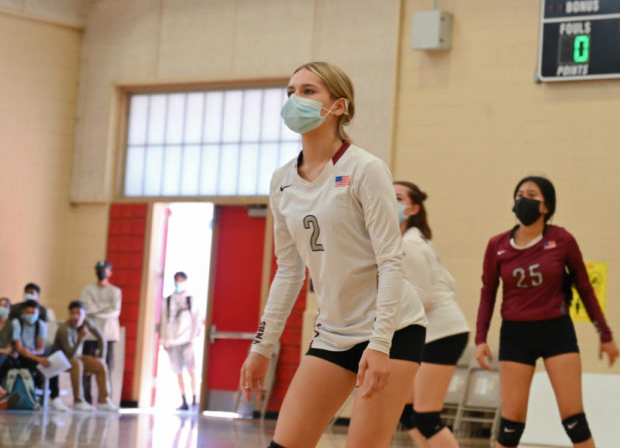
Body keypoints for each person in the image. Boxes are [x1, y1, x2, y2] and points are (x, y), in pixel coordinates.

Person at [238, 61, 427, 448]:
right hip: (333, 333)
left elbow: (391, 261)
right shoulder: (281, 181)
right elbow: (289, 273)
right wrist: (262, 345)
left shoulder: (366, 169)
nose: (295, 99)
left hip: (392, 329)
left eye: (308, 91)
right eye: (291, 91)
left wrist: (380, 343)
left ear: (338, 106)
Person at [475, 176, 620, 448]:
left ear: (546, 206)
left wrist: (605, 333)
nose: (523, 199)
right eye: (519, 193)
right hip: (515, 335)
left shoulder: (562, 239)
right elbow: (488, 293)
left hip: (556, 332)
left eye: (532, 194)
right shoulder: (497, 245)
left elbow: (585, 288)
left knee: (574, 422)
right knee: (510, 428)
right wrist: (481, 338)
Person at [395, 181, 470, 448]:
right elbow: (450, 283)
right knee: (406, 412)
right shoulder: (412, 241)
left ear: (414, 208)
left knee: (426, 417)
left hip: (443, 332)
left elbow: (424, 299)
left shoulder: (409, 245)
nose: (391, 201)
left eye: (398, 197)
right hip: (435, 332)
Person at [52, 300, 118, 412]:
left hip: (75, 357)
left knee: (100, 365)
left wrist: (101, 357)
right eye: (73, 313)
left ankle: (104, 401)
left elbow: (101, 338)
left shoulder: (86, 322)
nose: (76, 316)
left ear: (84, 315)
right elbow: (70, 354)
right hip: (61, 359)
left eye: (79, 313)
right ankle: (78, 401)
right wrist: (80, 338)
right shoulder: (65, 329)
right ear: (69, 314)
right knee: (77, 363)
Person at [9, 300, 67, 411]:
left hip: (34, 354)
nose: (30, 315)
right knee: (32, 364)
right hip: (19, 356)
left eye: (33, 312)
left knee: (51, 364)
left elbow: (41, 348)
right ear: (22, 312)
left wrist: (34, 354)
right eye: (28, 312)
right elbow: (19, 349)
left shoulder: (40, 324)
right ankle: (31, 398)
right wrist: (38, 358)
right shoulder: (17, 323)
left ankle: (55, 397)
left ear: (38, 313)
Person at [81, 260, 122, 404]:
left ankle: (104, 400)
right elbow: (87, 309)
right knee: (86, 368)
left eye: (105, 269)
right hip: (90, 336)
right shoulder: (88, 289)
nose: (102, 272)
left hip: (109, 335)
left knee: (107, 368)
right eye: (99, 269)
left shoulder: (115, 291)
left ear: (110, 272)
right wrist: (104, 308)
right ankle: (85, 400)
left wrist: (96, 309)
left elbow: (115, 311)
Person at [160, 271, 200, 410]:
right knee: (178, 371)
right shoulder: (168, 300)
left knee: (191, 369)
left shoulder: (191, 299)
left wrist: (193, 337)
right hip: (172, 340)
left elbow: (197, 319)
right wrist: (164, 339)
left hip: (187, 339)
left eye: (181, 280)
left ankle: (195, 397)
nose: (179, 282)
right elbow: (164, 321)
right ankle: (183, 399)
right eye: (177, 280)